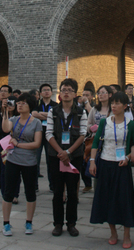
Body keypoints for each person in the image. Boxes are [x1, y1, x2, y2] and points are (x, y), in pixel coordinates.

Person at [89, 92, 134, 249]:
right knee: (107, 199)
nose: (114, 106)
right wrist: (92, 162)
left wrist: (128, 157)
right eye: (113, 103)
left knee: (124, 201)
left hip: (122, 166)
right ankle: (113, 232)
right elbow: (96, 142)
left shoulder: (131, 124)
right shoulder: (104, 122)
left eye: (118, 103)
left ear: (125, 106)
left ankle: (127, 234)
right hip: (105, 164)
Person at [46, 78, 87, 237]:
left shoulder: (81, 112)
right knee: (57, 191)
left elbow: (83, 135)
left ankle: (71, 223)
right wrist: (61, 152)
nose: (66, 93)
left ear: (75, 94)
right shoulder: (53, 111)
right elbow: (49, 133)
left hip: (74, 157)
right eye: (63, 90)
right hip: (55, 156)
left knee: (72, 192)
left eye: (69, 90)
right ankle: (57, 223)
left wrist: (68, 152)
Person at [1, 92, 42, 236]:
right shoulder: (14, 119)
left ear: (30, 105)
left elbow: (36, 144)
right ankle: (6, 223)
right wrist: (5, 111)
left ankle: (29, 222)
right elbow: (5, 129)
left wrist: (18, 144)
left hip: (29, 162)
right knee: (8, 192)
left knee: (30, 192)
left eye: (23, 103)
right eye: (18, 103)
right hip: (13, 160)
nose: (20, 105)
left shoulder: (36, 123)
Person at [32, 83, 57, 191]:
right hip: (38, 134)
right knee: (35, 160)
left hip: (50, 135)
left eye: (48, 90)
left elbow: (56, 116)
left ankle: (52, 185)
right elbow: (34, 114)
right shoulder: (36, 104)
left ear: (51, 92)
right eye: (44, 90)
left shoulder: (56, 105)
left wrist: (41, 114)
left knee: (50, 160)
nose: (46, 92)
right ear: (40, 93)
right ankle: (34, 185)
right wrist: (49, 116)